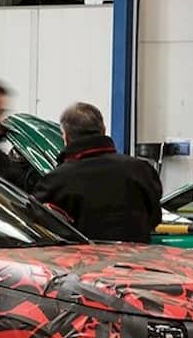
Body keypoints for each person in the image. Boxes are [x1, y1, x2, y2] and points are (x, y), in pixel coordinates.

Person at [32, 102, 162, 243]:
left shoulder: (55, 181)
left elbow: (38, 227)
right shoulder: (141, 170)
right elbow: (155, 218)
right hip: (137, 255)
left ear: (66, 137)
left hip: (82, 256)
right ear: (104, 130)